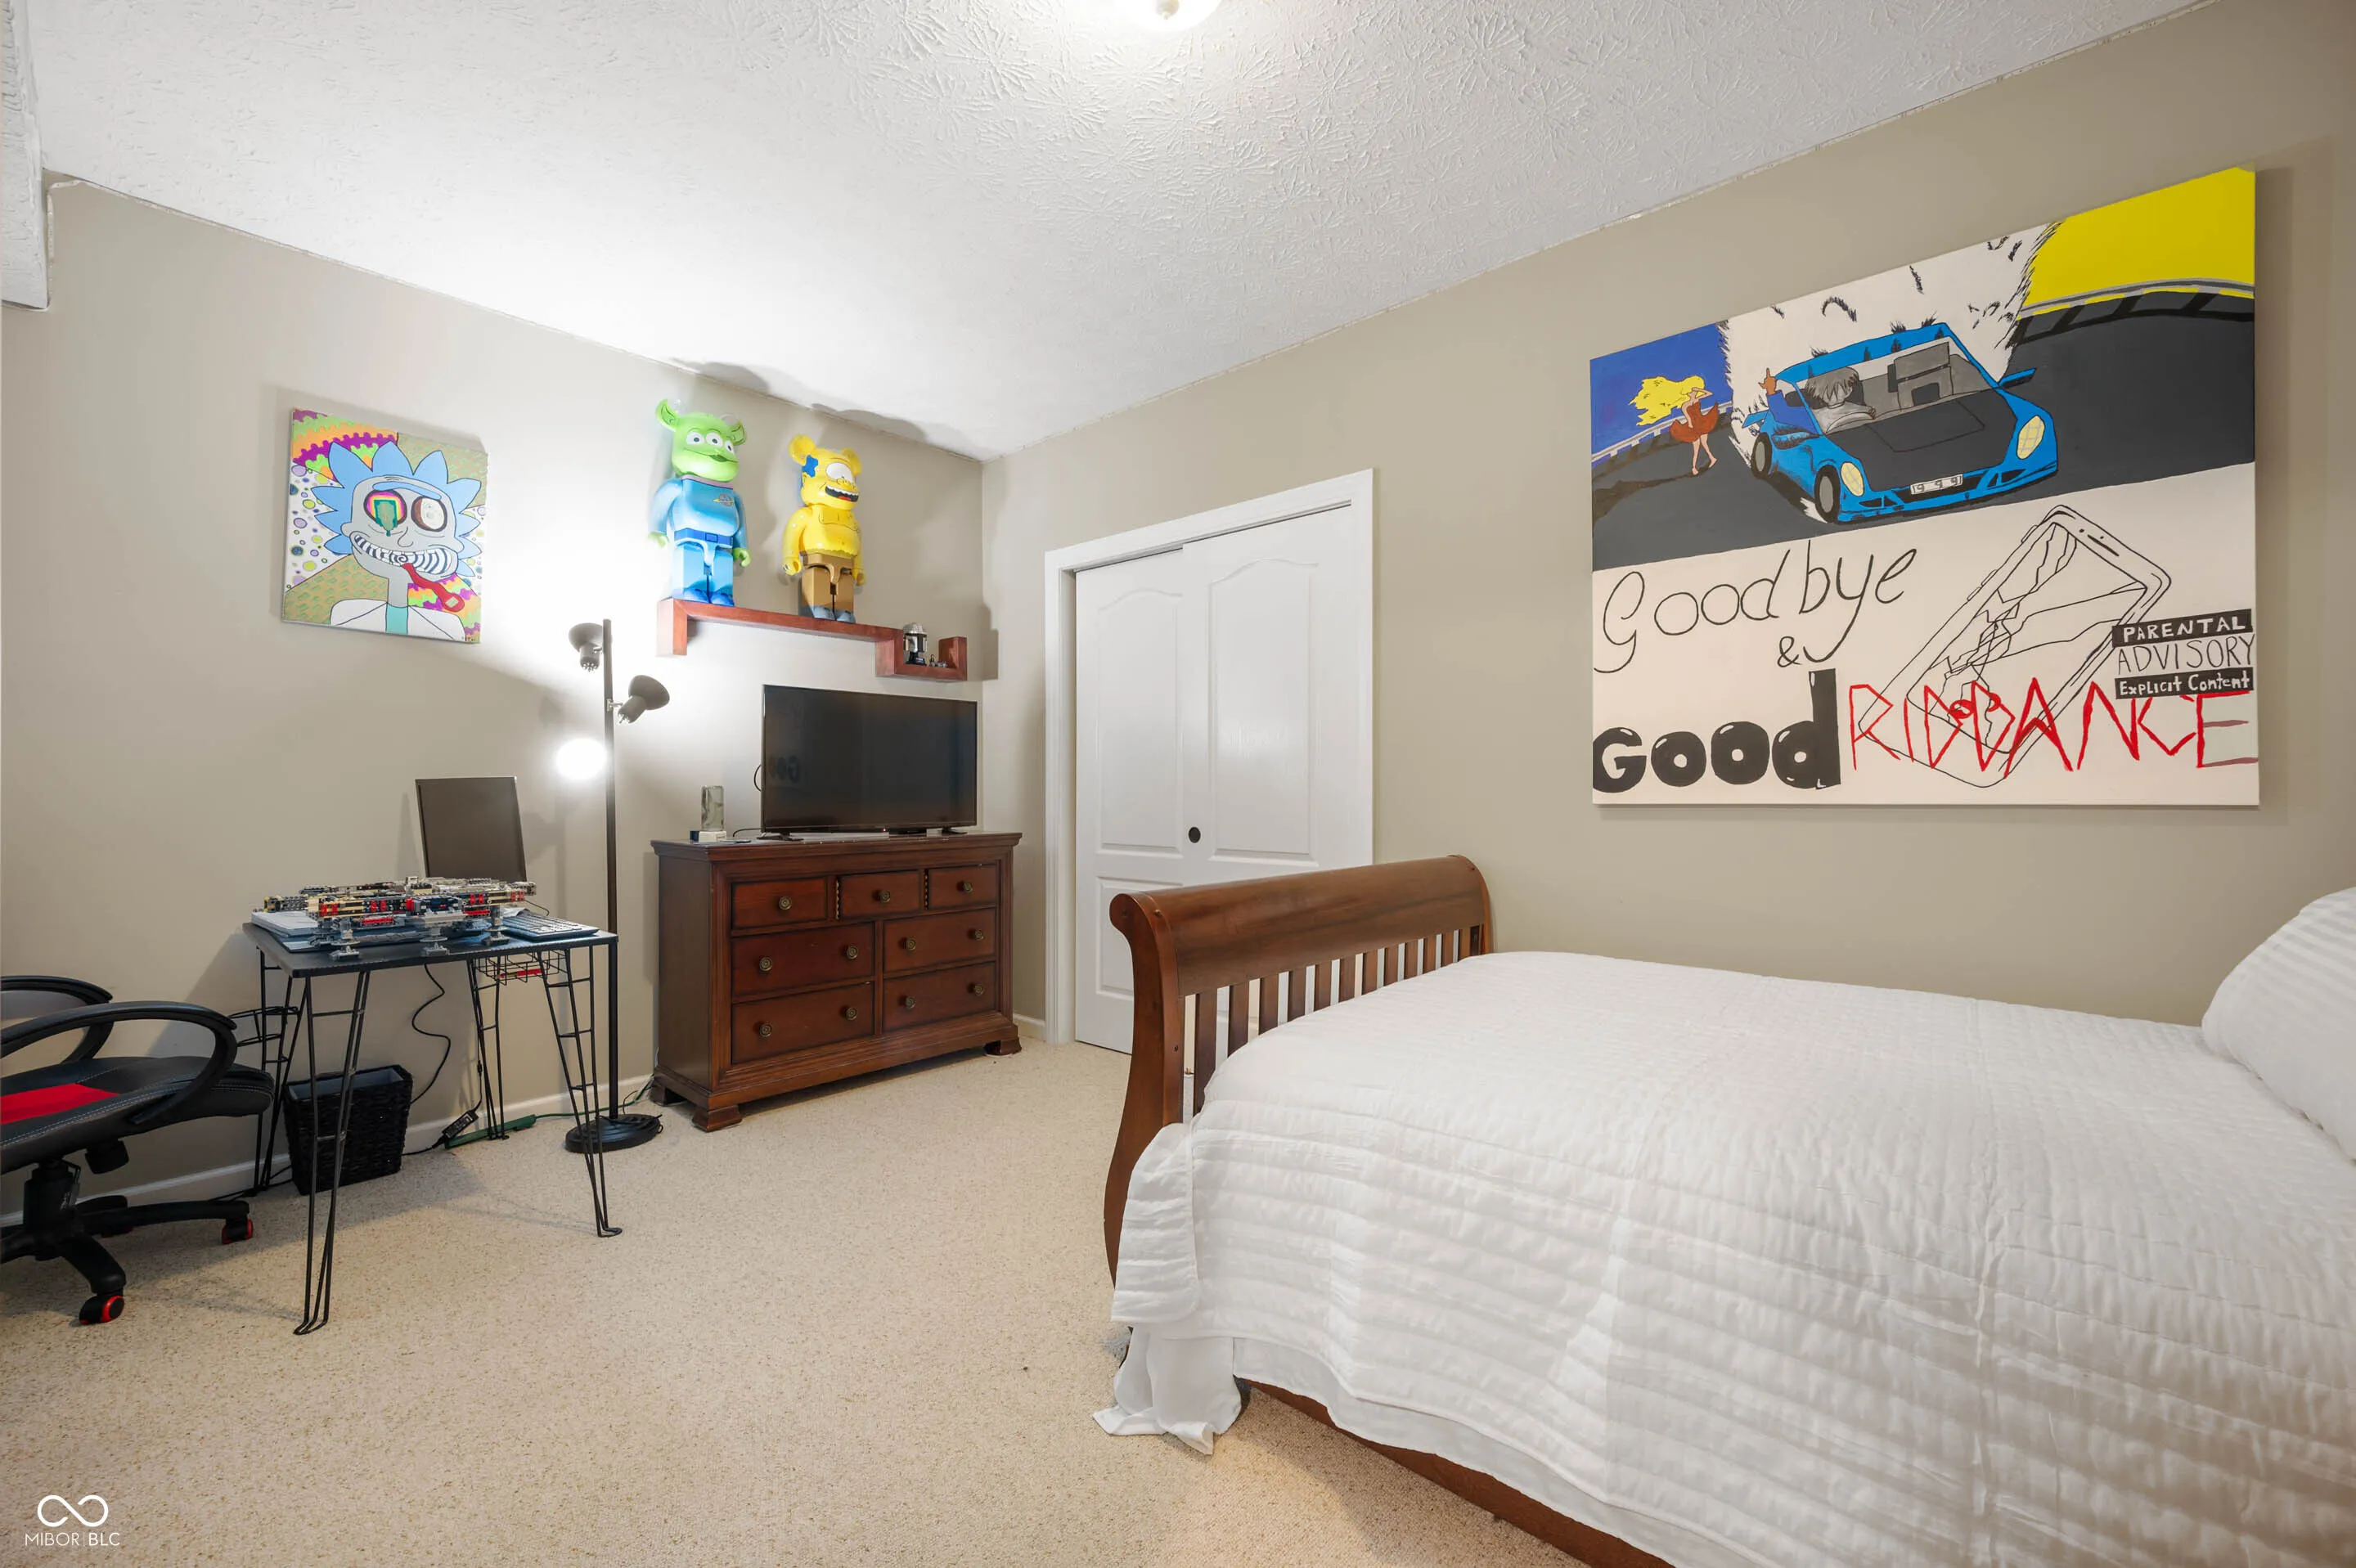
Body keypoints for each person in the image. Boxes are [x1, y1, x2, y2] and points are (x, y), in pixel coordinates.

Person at [1669, 385, 1720, 475]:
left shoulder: (1697, 400)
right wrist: (1690, 425)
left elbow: (1709, 393)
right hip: (1694, 425)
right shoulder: (1685, 404)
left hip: (1701, 423)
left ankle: (1712, 458)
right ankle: (1694, 467)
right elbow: (1687, 417)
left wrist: (1699, 389)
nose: (1694, 392)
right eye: (1693, 391)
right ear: (1689, 394)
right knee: (1696, 448)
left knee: (1704, 443)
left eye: (1695, 391)